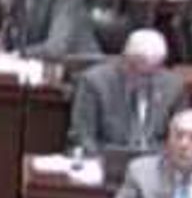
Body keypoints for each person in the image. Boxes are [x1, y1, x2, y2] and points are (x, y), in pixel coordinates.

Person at [65, 29, 184, 158]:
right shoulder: (95, 82)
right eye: (138, 71)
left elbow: (180, 136)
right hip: (107, 161)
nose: (143, 80)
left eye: (151, 74)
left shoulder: (173, 85)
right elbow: (83, 137)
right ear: (124, 60)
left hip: (156, 165)